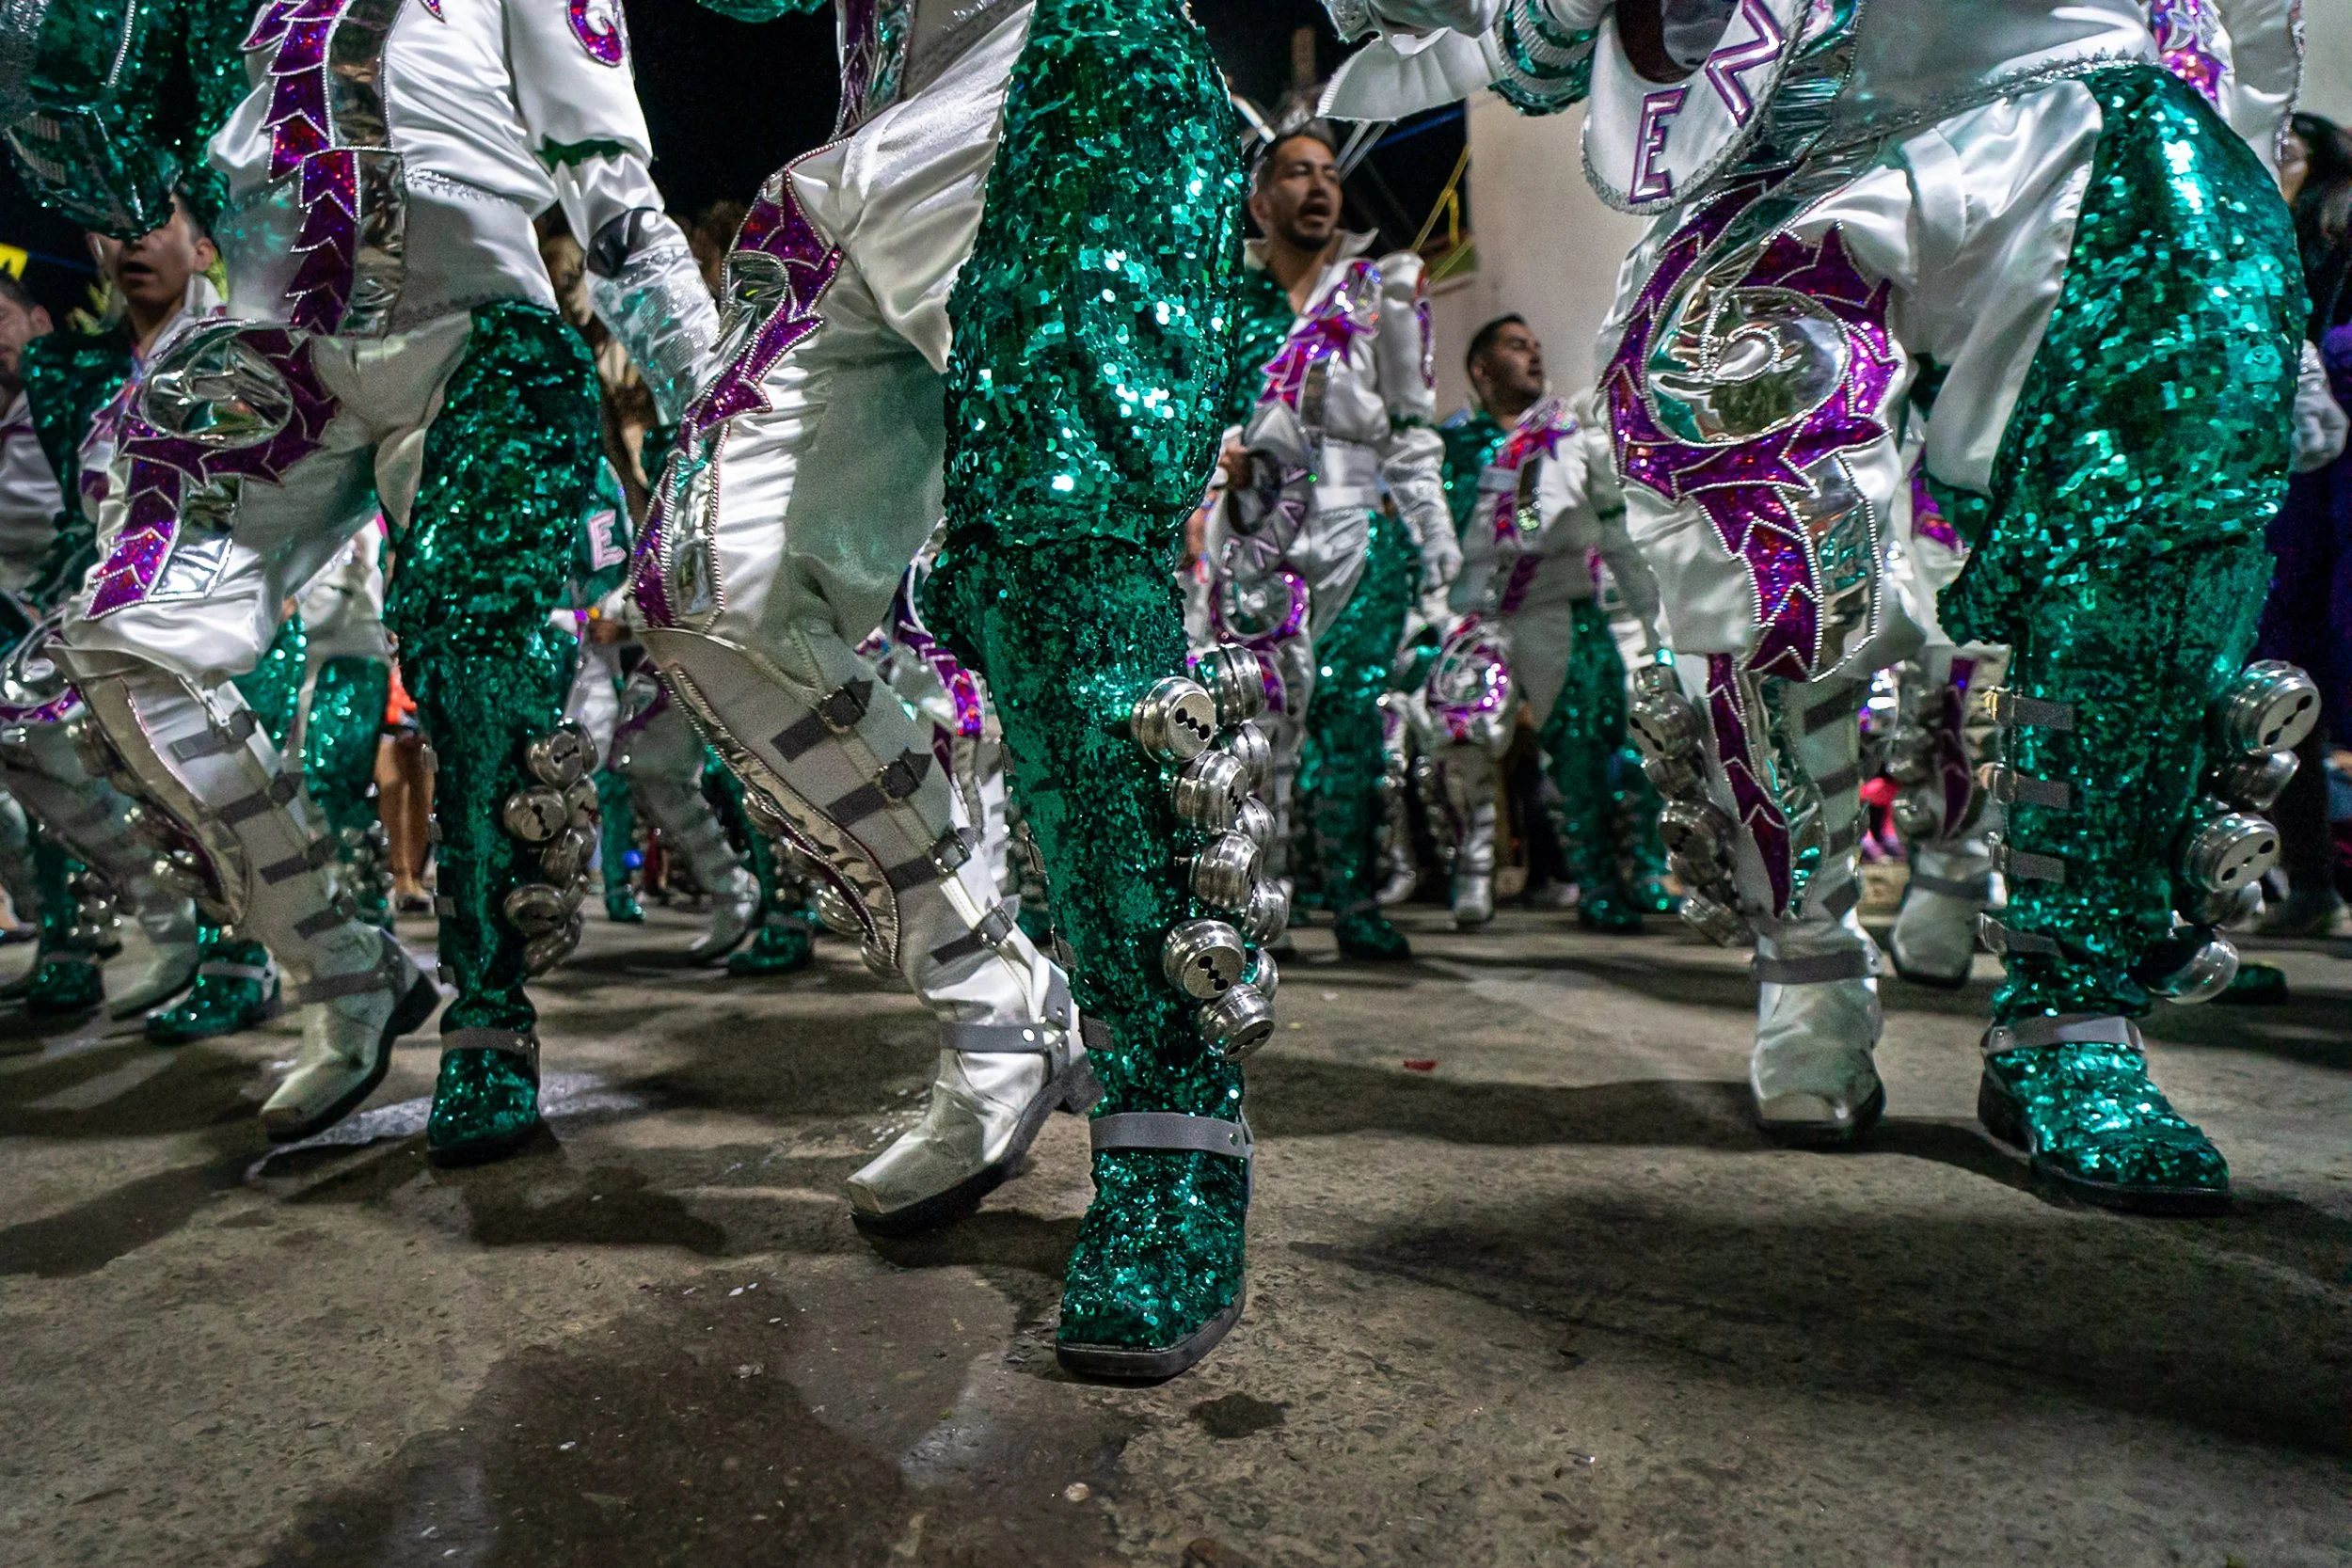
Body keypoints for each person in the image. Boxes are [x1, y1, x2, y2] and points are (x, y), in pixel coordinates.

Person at [1321, 0, 2311, 1214]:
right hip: (1789, 154)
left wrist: (2241, 177)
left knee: (2153, 523)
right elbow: (1538, 54)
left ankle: (2077, 1003)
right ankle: (1810, 955)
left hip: (2097, 100)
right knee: (1766, 548)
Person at [632, 0, 1266, 1379]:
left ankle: (1174, 1131)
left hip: (1077, 62)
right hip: (865, 154)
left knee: (1063, 583)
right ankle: (998, 1014)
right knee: (716, 594)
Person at [0, 0, 721, 1162]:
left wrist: (712, 401)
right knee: (125, 649)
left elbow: (607, 177)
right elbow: (121, 173)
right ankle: (345, 967)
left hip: (480, 334)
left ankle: (490, 1018)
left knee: (464, 647)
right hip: (279, 357)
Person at [1202, 121, 1458, 960]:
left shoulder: (1384, 287)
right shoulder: (1222, 296)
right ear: (1259, 198)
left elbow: (1415, 429)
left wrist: (1433, 543)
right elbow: (1199, 419)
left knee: (1351, 719)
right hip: (1251, 531)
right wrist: (1216, 473)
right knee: (1254, 719)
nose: (1318, 188)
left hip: (1359, 528)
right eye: (1297, 174)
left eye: (1329, 175)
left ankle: (1350, 899)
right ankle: (1249, 899)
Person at [1417, 313, 1664, 929]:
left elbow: (1616, 534)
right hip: (1476, 618)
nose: (1533, 353)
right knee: (1461, 742)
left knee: (1588, 751)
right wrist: (1425, 619)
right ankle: (1471, 873)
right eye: (1514, 345)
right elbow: (1425, 543)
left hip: (1560, 611)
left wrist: (1654, 619)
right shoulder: (1445, 450)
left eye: (1535, 344)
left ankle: (1604, 884)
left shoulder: (1573, 436)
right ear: (1480, 367)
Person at [2254, 111, 2352, 940]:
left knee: (2298, 675)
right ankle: (2305, 880)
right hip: (2298, 486)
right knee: (2288, 685)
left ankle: (2312, 880)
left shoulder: (2328, 221)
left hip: (2320, 486)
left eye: (2288, 146)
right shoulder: (2272, 229)